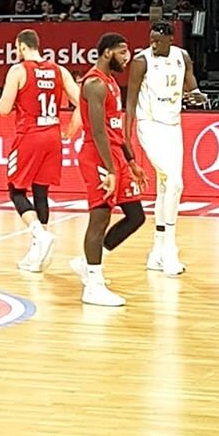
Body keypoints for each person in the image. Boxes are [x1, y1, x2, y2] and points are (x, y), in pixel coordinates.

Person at [71, 33, 148, 306]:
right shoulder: (94, 84)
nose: (127, 58)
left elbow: (115, 129)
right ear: (106, 53)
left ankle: (88, 261)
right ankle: (93, 285)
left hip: (115, 155)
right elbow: (99, 132)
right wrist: (110, 169)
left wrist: (131, 162)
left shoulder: (112, 82)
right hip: (98, 156)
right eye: (122, 52)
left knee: (136, 216)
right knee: (100, 216)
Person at [125, 21, 206, 276]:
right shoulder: (141, 61)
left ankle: (157, 250)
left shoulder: (182, 57)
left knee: (165, 186)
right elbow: (129, 102)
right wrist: (126, 137)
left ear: (171, 39)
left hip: (173, 125)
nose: (154, 43)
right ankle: (170, 248)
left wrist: (197, 95)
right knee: (175, 183)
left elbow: (190, 86)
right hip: (149, 125)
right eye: (151, 39)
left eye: (158, 40)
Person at [0, 28, 80, 272]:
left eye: (16, 48)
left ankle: (39, 235)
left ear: (22, 47)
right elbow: (82, 105)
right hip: (53, 135)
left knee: (16, 190)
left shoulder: (18, 70)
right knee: (40, 191)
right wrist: (71, 130)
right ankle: (38, 252)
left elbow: (3, 108)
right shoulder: (59, 70)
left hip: (30, 136)